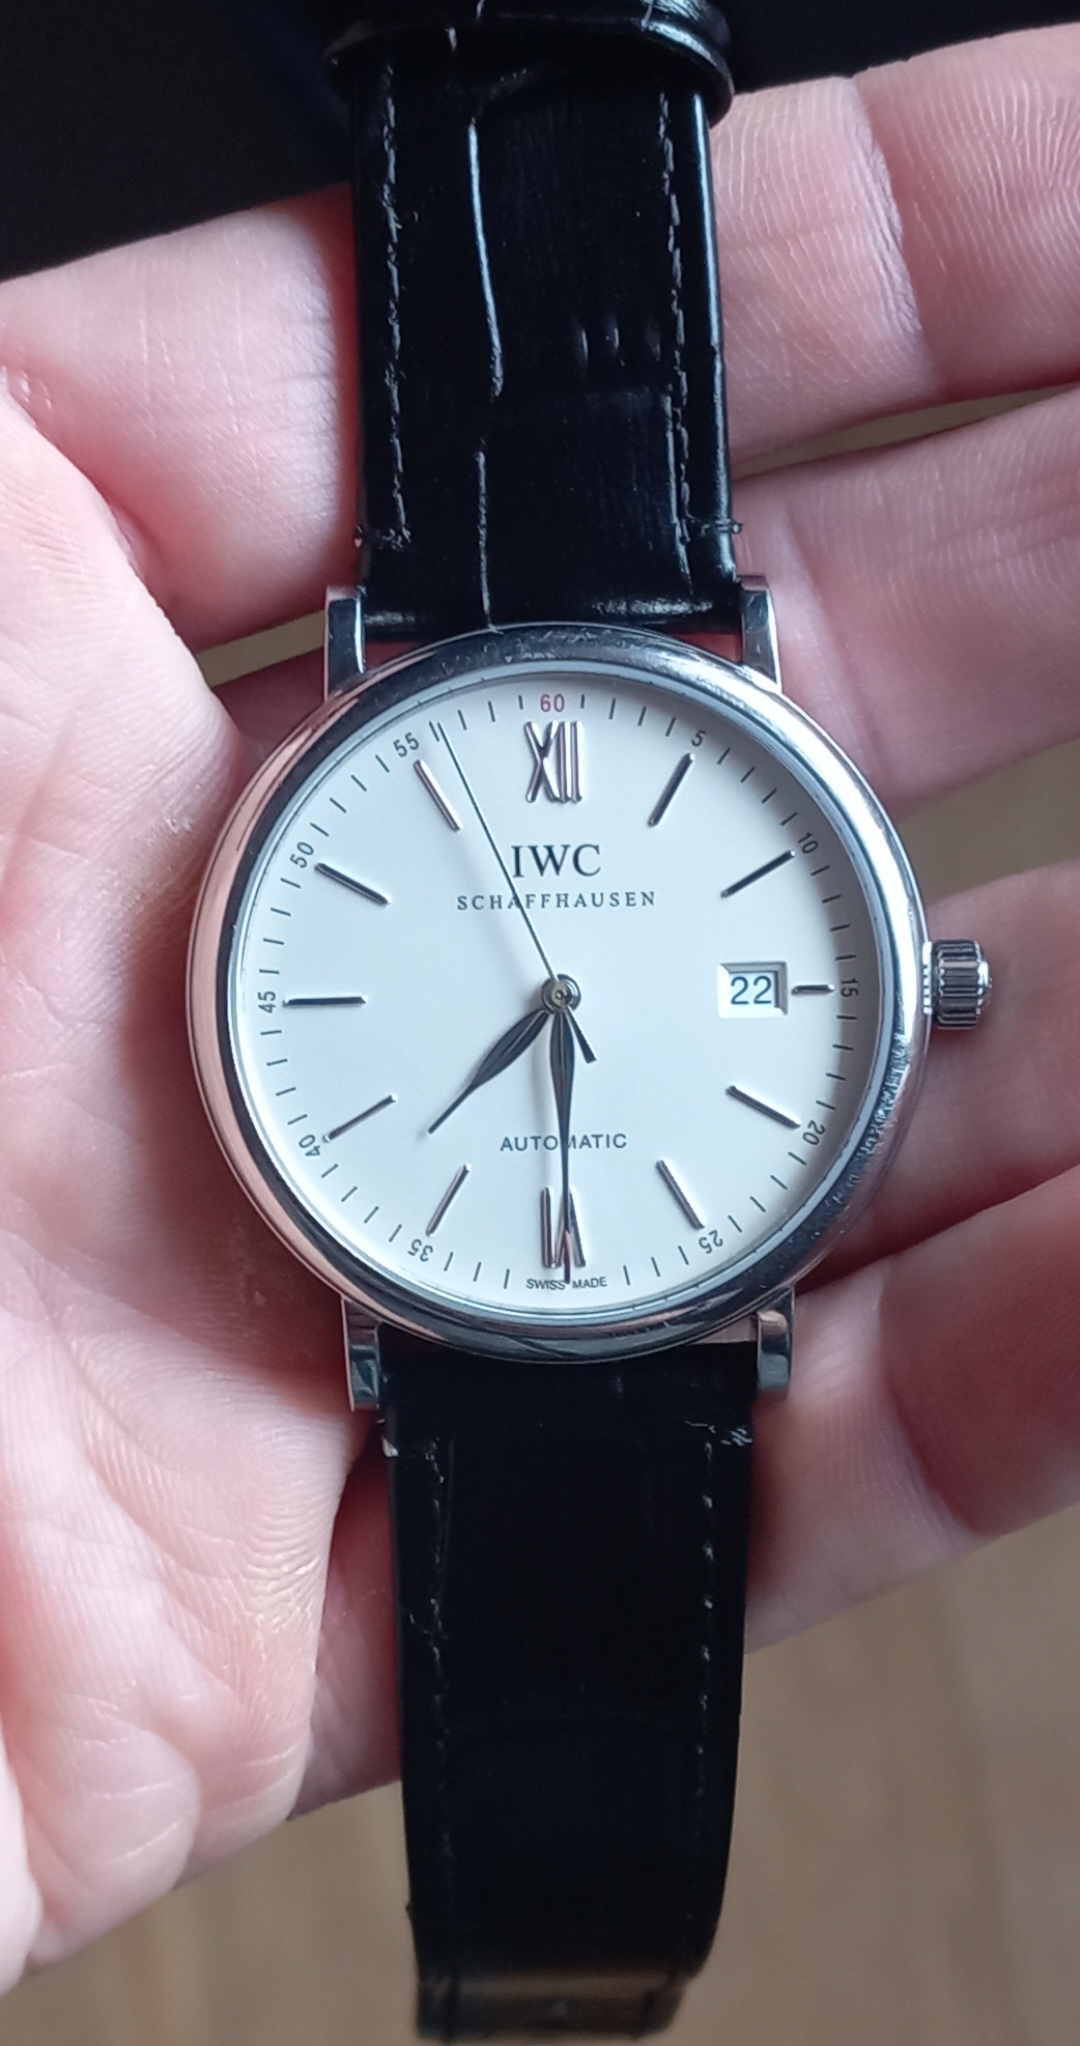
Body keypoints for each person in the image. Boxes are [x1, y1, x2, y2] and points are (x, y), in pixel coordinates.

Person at [0, 17, 1075, 1986]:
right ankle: (556, 1962)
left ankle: (566, 1960)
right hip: (485, 1269)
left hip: (603, 1273)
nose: (562, 996)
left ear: (912, 989)